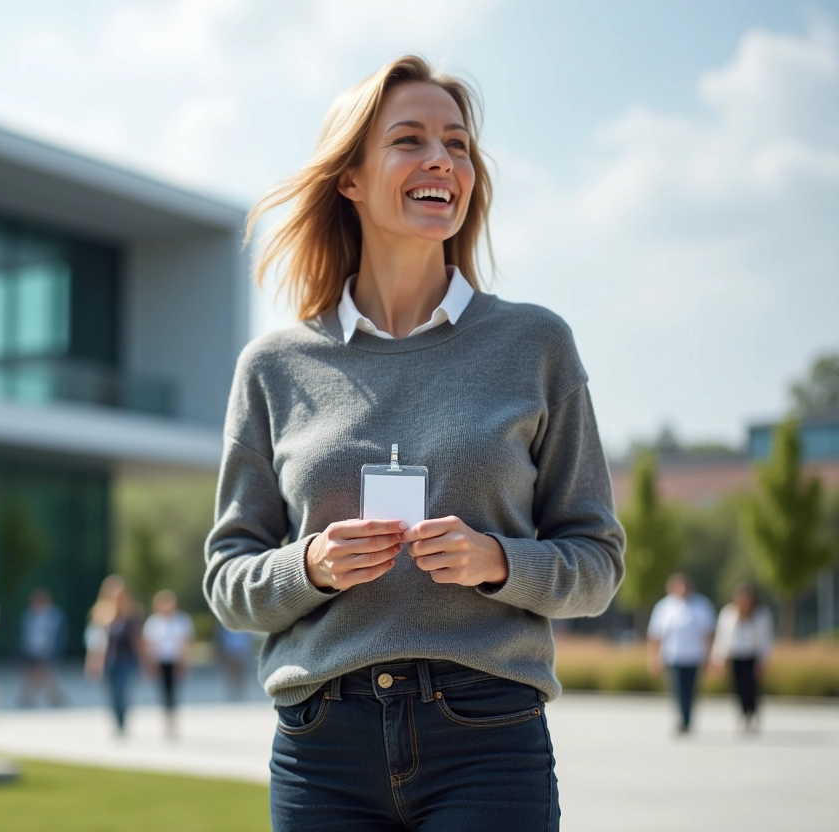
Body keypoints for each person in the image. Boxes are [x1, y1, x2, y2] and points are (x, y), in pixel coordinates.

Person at [204, 55, 625, 831]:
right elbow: (227, 581)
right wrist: (310, 566)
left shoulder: (535, 344)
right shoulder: (273, 367)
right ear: (351, 180)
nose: (442, 159)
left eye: (458, 144)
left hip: (487, 739)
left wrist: (499, 561)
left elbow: (597, 563)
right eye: (410, 139)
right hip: (319, 749)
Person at [648, 573, 716, 735]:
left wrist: (708, 656)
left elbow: (708, 634)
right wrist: (653, 657)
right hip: (673, 655)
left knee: (691, 690)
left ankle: (687, 718)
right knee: (677, 690)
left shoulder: (702, 605)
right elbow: (656, 635)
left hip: (694, 655)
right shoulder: (664, 607)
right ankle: (681, 718)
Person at [710, 584, 774, 733]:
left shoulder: (760, 614)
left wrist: (763, 660)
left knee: (751, 688)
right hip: (735, 656)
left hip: (752, 657)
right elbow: (722, 637)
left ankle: (751, 714)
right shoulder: (728, 613)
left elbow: (766, 639)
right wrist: (718, 658)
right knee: (737, 688)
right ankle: (743, 715)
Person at [84, 575, 142, 736]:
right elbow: (95, 642)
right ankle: (117, 722)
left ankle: (123, 722)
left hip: (127, 660)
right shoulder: (101, 615)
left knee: (123, 692)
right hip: (109, 661)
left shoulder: (132, 614)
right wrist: (92, 664)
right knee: (112, 695)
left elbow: (138, 640)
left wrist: (146, 661)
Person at [142, 589, 195, 738]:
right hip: (160, 661)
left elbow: (186, 643)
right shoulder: (153, 622)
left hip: (175, 661)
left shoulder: (182, 620)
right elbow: (149, 644)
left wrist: (185, 662)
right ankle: (166, 720)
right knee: (163, 691)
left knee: (174, 691)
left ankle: (174, 720)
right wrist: (150, 664)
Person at [20, 587, 68, 707]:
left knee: (47, 675)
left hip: (48, 651)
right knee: (31, 676)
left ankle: (55, 698)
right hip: (31, 650)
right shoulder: (29, 615)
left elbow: (58, 635)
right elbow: (25, 634)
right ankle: (28, 699)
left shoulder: (55, 615)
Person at [216, 624, 256, 701]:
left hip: (240, 649)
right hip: (230, 649)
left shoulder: (242, 625)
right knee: (231, 671)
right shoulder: (225, 625)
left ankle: (239, 689)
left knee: (239, 672)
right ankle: (233, 689)